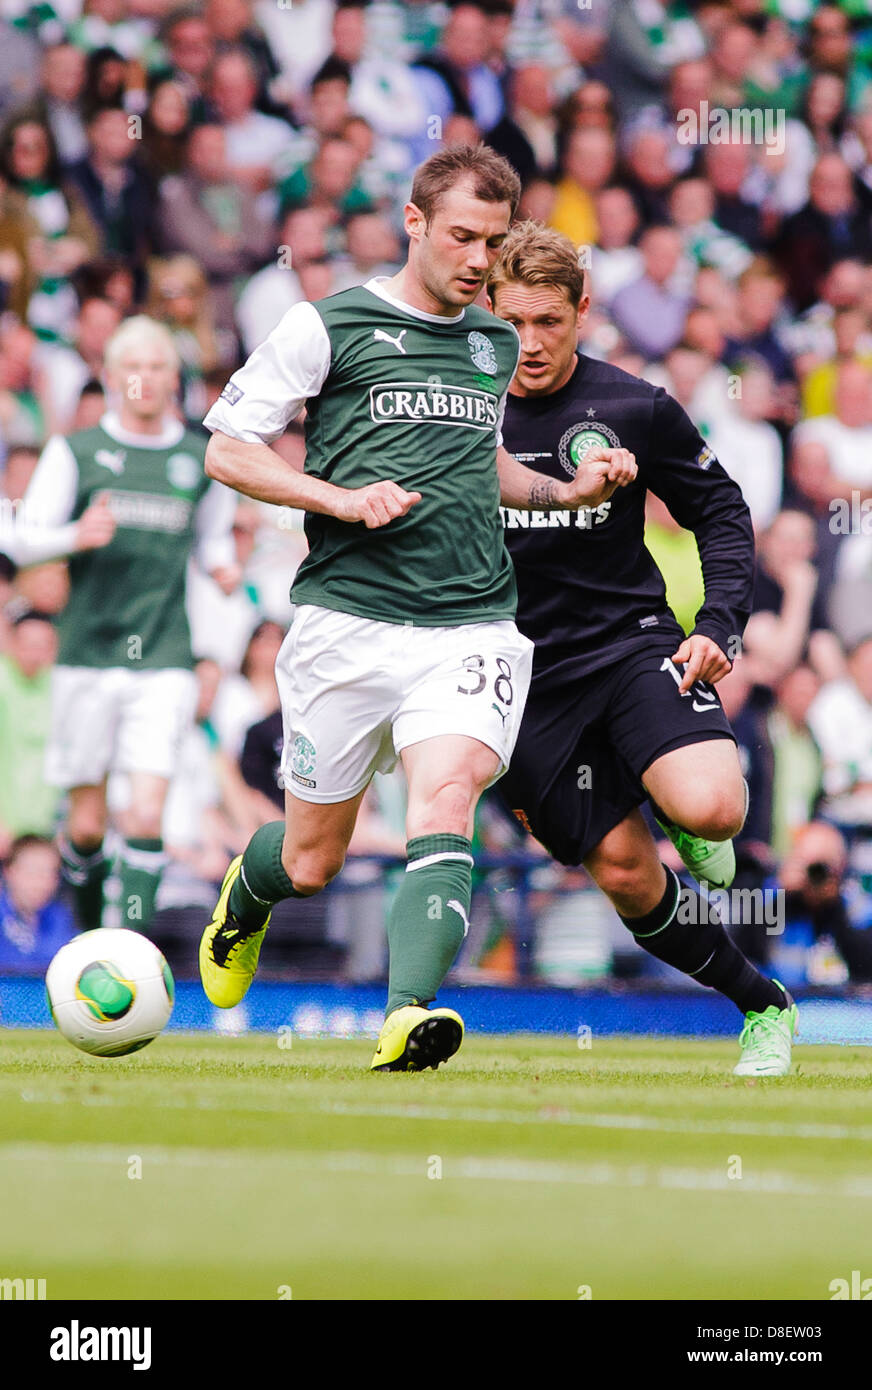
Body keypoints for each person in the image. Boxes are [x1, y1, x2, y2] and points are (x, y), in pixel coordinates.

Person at [199, 143, 636, 1073]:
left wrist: (567, 490)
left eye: (493, 241)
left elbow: (487, 465)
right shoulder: (330, 324)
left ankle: (407, 1017)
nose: (479, 261)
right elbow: (229, 450)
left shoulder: (492, 341)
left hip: (470, 623)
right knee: (314, 858)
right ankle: (249, 891)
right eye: (462, 237)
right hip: (347, 623)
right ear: (415, 223)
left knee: (446, 797)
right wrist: (340, 498)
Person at [486, 220, 798, 1076]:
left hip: (630, 647)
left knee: (713, 809)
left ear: (583, 311)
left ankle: (686, 807)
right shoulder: (460, 413)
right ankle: (763, 1005)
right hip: (519, 683)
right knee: (626, 874)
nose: (531, 343)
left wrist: (719, 625)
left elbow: (724, 514)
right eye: (512, 321)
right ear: (485, 309)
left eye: (549, 321)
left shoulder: (633, 405)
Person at [5, 314, 237, 937]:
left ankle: (127, 942)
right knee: (85, 825)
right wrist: (74, 536)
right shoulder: (75, 452)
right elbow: (22, 541)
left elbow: (213, 539)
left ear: (174, 378)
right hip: (86, 653)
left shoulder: (196, 459)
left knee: (145, 813)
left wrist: (222, 569)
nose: (144, 378)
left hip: (163, 657)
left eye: (157, 366)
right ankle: (88, 935)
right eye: (131, 367)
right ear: (109, 377)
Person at [0, 834, 75, 971]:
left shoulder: (58, 916)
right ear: (8, 871)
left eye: (51, 873)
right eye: (33, 872)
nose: (43, 883)